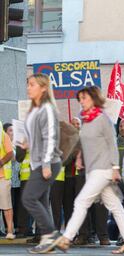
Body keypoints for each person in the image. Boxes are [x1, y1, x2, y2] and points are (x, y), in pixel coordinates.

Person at [53, 86, 124, 254]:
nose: (81, 101)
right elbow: (85, 142)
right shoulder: (87, 120)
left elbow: (112, 143)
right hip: (92, 169)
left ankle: (66, 238)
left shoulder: (102, 119)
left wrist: (115, 167)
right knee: (115, 205)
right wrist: (79, 157)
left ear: (93, 99)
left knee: (80, 202)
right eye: (80, 99)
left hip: (103, 168)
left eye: (84, 98)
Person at [20, 73, 62, 253]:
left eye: (32, 84)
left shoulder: (47, 108)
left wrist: (45, 165)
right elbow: (37, 136)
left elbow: (51, 138)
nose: (28, 88)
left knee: (28, 198)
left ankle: (52, 235)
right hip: (37, 163)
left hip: (48, 163)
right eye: (28, 84)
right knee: (42, 203)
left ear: (44, 88)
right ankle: (48, 242)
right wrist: (27, 143)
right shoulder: (34, 110)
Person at [3, 123, 20, 238]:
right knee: (7, 205)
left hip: (15, 180)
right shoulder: (6, 144)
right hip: (9, 179)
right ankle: (7, 228)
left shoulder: (14, 145)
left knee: (13, 205)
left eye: (13, 131)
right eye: (10, 130)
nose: (12, 133)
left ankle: (13, 228)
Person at [0, 121, 15, 240]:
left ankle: (10, 231)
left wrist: (0, 162)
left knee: (6, 205)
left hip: (2, 177)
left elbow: (10, 153)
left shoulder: (3, 135)